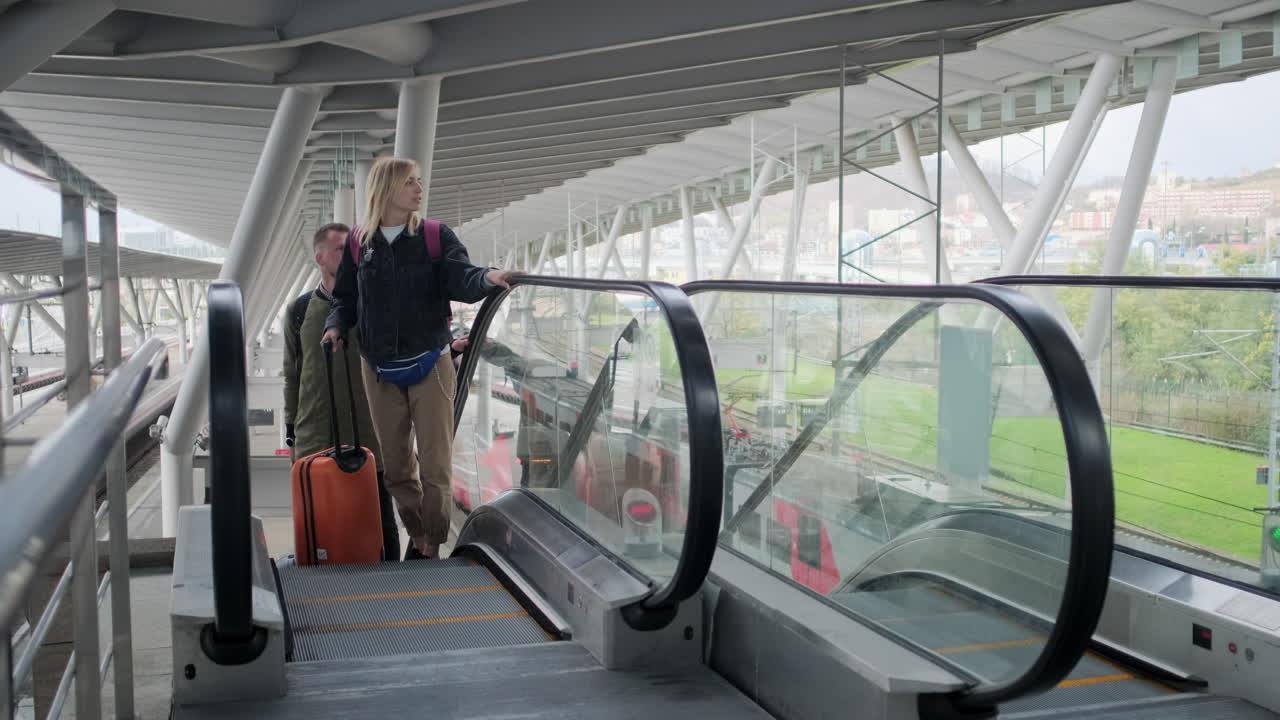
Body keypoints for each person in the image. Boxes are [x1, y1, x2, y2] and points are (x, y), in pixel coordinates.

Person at [322, 157, 518, 560]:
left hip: (431, 362)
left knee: (436, 465)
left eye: (418, 181)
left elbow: (461, 277)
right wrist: (336, 325)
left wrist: (487, 278)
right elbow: (345, 298)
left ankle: (431, 543)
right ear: (388, 189)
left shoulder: (434, 236)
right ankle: (418, 531)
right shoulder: (361, 243)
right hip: (377, 367)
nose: (418, 188)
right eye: (410, 182)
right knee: (396, 467)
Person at [283, 222, 399, 561]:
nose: (351, 255)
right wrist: (291, 430)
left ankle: (394, 582)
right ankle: (317, 582)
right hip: (315, 433)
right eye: (340, 249)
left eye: (354, 248)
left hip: (369, 430)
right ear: (319, 257)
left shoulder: (372, 306)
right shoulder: (300, 310)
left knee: (380, 514)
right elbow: (293, 374)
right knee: (316, 514)